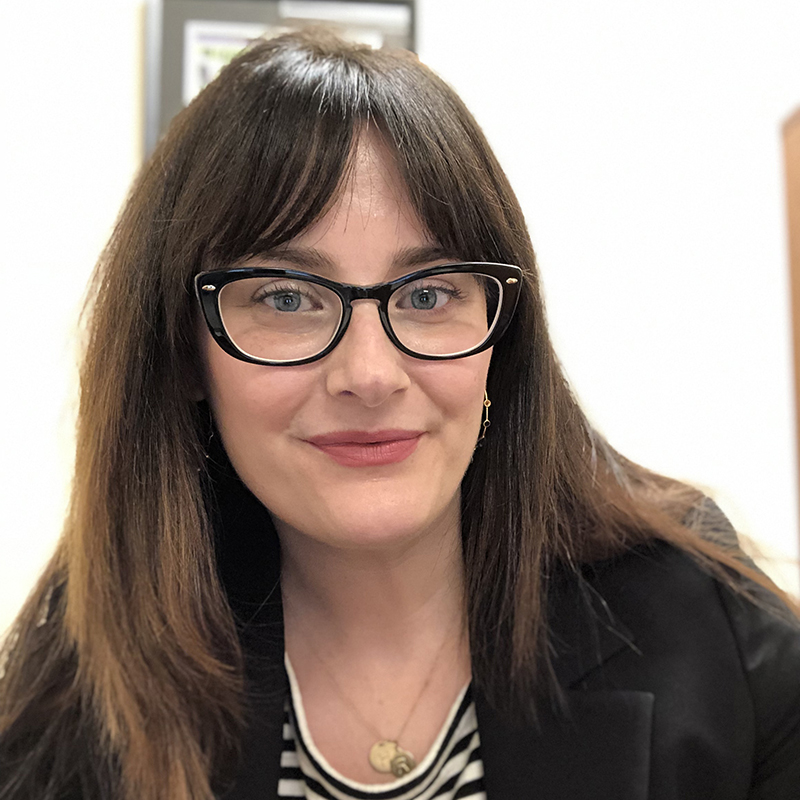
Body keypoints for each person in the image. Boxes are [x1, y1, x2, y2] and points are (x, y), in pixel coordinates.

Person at [1, 30, 799, 800]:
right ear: (183, 353)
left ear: (502, 336)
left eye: (426, 295)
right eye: (287, 298)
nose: (371, 374)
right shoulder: (68, 711)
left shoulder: (711, 628)